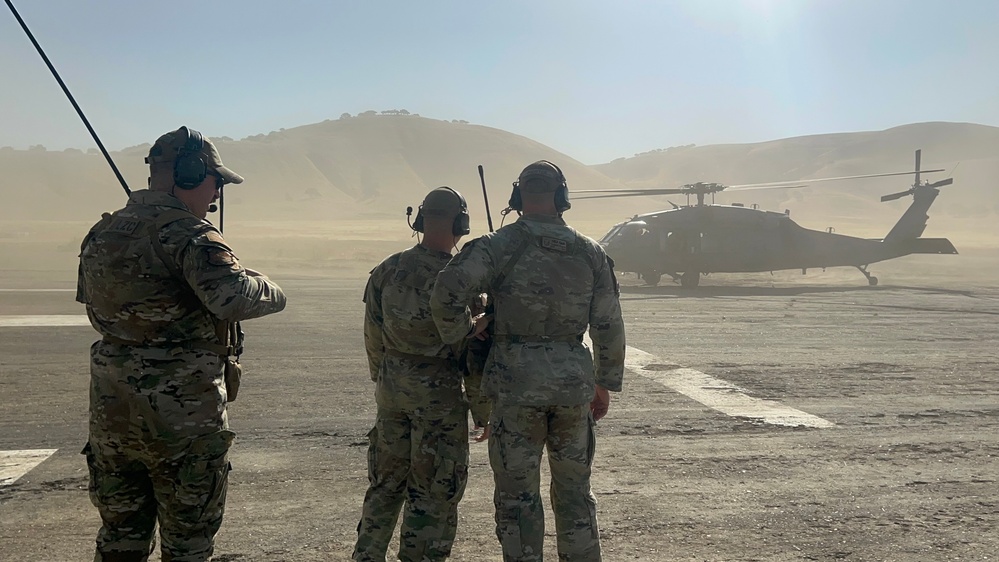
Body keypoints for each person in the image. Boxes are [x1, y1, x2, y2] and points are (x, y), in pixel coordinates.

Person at [76, 126, 287, 562]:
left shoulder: (103, 234)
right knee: (188, 545)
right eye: (215, 181)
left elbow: (97, 312)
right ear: (190, 174)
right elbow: (232, 297)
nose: (217, 195)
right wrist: (269, 286)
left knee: (119, 538)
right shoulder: (193, 236)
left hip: (112, 413)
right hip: (182, 421)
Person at [430, 161, 626, 562]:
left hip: (516, 388)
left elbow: (446, 291)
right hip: (573, 388)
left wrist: (465, 332)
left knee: (518, 499)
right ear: (562, 197)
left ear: (518, 197)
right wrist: (603, 382)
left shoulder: (499, 245)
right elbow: (608, 323)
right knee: (575, 493)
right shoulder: (591, 252)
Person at [353, 187, 491, 562]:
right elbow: (471, 357)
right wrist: (483, 412)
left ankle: (366, 555)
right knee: (434, 489)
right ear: (461, 223)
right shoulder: (460, 281)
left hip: (393, 390)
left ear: (420, 220)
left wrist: (384, 379)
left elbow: (373, 334)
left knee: (385, 483)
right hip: (440, 398)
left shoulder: (388, 268)